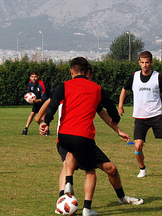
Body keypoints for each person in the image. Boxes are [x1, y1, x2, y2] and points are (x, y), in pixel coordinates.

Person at [39, 57, 143, 216]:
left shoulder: (65, 85)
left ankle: (117, 196)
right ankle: (82, 206)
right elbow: (111, 108)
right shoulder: (96, 88)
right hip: (83, 137)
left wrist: (46, 121)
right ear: (87, 72)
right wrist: (116, 119)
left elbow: (53, 104)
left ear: (71, 71)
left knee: (111, 169)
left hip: (65, 135)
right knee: (89, 170)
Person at [22, 70, 49, 135]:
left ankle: (46, 130)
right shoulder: (30, 83)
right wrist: (26, 96)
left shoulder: (41, 84)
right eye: (32, 77)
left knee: (43, 116)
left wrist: (36, 100)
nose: (34, 78)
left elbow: (44, 97)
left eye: (35, 77)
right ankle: (26, 129)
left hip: (44, 102)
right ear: (30, 78)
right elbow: (29, 93)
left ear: (38, 77)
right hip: (36, 102)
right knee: (32, 114)